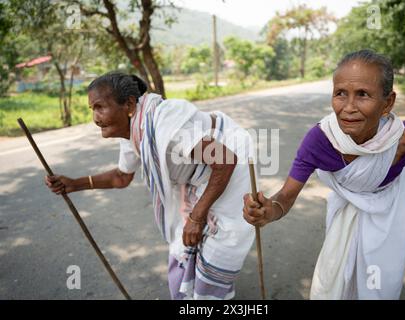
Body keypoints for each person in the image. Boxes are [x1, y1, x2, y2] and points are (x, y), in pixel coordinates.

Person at [45, 72, 255, 300]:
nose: (95, 118)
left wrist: (196, 217)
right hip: (199, 177)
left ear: (129, 104)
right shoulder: (133, 133)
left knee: (218, 244)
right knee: (184, 242)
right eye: (92, 109)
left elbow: (225, 160)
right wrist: (74, 184)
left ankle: (208, 295)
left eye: (100, 107)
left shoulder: (164, 120)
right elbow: (121, 177)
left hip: (230, 165)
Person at [243, 49, 405, 299]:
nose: (348, 107)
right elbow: (285, 196)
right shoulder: (320, 140)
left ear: (388, 103)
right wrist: (267, 211)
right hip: (344, 220)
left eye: (363, 94)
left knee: (379, 285)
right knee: (338, 281)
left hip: (388, 227)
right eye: (341, 94)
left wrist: (382, 161)